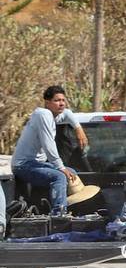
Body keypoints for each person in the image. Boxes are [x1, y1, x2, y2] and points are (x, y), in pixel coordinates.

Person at [11, 85, 79, 216]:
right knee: (59, 176)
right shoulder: (43, 114)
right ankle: (59, 214)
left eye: (63, 100)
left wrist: (78, 128)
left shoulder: (53, 116)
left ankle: (71, 208)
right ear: (47, 103)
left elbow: (68, 114)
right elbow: (48, 144)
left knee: (72, 172)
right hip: (24, 165)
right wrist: (60, 167)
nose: (62, 103)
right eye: (57, 100)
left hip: (37, 164)